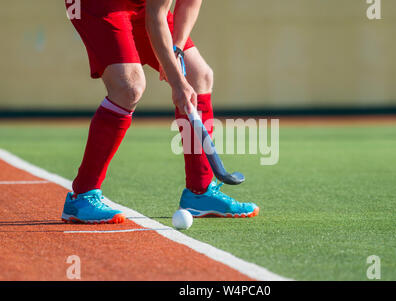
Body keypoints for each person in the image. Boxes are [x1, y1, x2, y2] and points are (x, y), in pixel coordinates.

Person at [61, 0, 259, 224]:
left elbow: (190, 3)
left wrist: (176, 50)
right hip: (99, 4)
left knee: (198, 76)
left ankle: (200, 192)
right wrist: (177, 82)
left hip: (144, 5)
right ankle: (82, 196)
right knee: (129, 86)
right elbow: (156, 19)